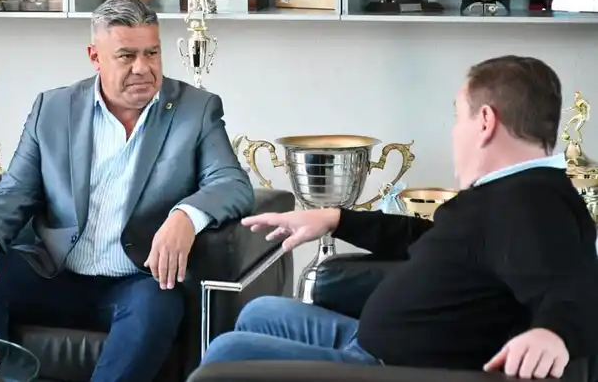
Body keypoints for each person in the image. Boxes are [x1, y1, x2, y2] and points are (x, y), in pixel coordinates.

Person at [202, 55, 598, 380]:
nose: (454, 132)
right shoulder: (509, 193)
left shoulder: (532, 205)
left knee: (227, 353)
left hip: (389, 369)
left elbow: (572, 284)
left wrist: (554, 334)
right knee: (260, 312)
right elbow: (427, 237)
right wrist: (337, 219)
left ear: (485, 121)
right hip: (370, 344)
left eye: (458, 117)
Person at [0, 0, 254, 382]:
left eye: (152, 53)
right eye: (126, 56)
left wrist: (185, 216)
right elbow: (14, 191)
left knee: (158, 305)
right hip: (56, 273)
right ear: (95, 57)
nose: (143, 68)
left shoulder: (195, 110)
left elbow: (231, 183)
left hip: (137, 281)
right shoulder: (53, 108)